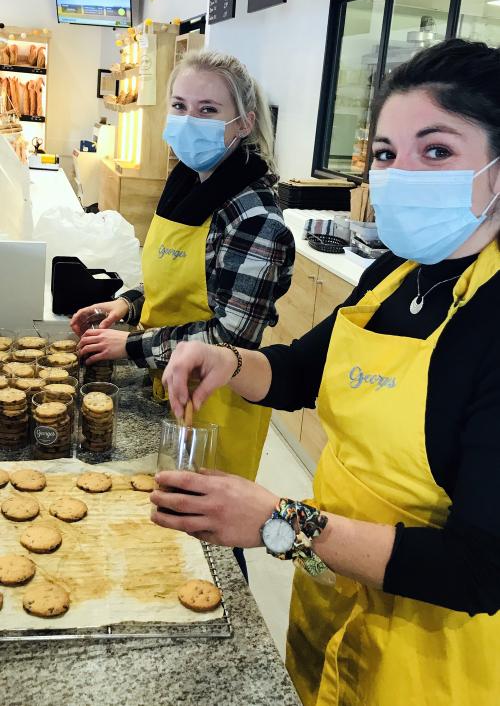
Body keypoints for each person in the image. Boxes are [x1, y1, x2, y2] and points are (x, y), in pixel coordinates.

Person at [151, 39, 500, 706]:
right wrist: (228, 359)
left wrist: (282, 521)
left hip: (431, 656)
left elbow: (482, 568)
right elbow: (299, 372)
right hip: (330, 596)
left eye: (437, 150)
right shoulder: (393, 274)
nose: (400, 175)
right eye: (388, 154)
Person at [71, 50, 294, 491]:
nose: (189, 120)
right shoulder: (188, 184)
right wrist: (128, 303)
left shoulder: (255, 221)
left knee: (206, 537)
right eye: (180, 106)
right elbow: (175, 282)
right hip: (164, 382)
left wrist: (130, 347)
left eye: (208, 110)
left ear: (244, 124)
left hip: (212, 406)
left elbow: (230, 340)